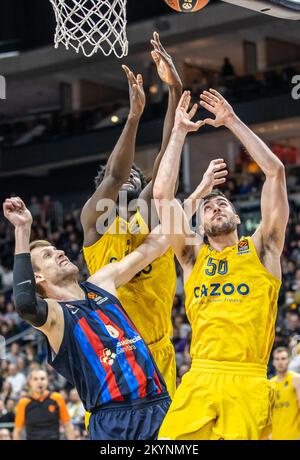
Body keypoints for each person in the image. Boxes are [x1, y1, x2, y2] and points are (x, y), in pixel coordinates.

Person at [153, 89, 289, 440]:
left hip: (248, 377)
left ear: (238, 217)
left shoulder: (263, 248)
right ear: (199, 224)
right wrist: (179, 132)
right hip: (200, 375)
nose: (215, 207)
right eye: (208, 207)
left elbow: (275, 173)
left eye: (223, 204)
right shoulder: (193, 256)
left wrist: (231, 121)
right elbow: (162, 197)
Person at [4, 196, 171, 440]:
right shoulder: (55, 315)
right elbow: (25, 302)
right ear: (37, 277)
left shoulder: (101, 283)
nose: (59, 252)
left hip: (159, 406)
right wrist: (22, 229)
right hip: (115, 421)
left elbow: (152, 247)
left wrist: (193, 201)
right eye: (48, 256)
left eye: (55, 249)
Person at [81, 32, 182, 400]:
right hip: (114, 354)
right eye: (128, 178)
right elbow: (115, 175)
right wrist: (135, 115)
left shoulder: (149, 212)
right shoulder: (93, 222)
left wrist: (175, 90)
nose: (132, 180)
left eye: (139, 180)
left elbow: (168, 154)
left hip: (158, 350)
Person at [13, 369, 75, 440]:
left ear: (47, 381)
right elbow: (17, 431)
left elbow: (67, 425)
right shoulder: (23, 403)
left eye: (42, 379)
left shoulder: (57, 398)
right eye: (35, 379)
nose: (39, 382)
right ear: (30, 382)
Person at [270, 347, 300, 440]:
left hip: (294, 435)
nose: (280, 362)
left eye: (283, 358)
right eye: (277, 359)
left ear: (289, 360)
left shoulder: (296, 379)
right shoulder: (270, 384)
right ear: (273, 362)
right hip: (275, 436)